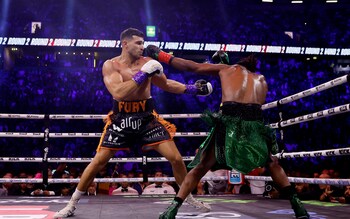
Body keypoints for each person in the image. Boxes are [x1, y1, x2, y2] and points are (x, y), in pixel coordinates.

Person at [53, 28, 211, 218]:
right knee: (98, 162)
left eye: (143, 43)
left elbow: (167, 84)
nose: (142, 47)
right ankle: (71, 204)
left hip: (147, 118)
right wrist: (142, 75)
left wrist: (192, 89)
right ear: (125, 44)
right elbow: (119, 93)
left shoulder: (147, 63)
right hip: (121, 120)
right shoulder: (111, 66)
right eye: (138, 43)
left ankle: (187, 197)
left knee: (176, 159)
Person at [144, 45, 310, 219]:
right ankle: (298, 206)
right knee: (272, 163)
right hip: (254, 122)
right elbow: (253, 103)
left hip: (230, 119)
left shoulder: (228, 69)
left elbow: (190, 66)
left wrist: (160, 55)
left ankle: (173, 209)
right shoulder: (261, 79)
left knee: (201, 167)